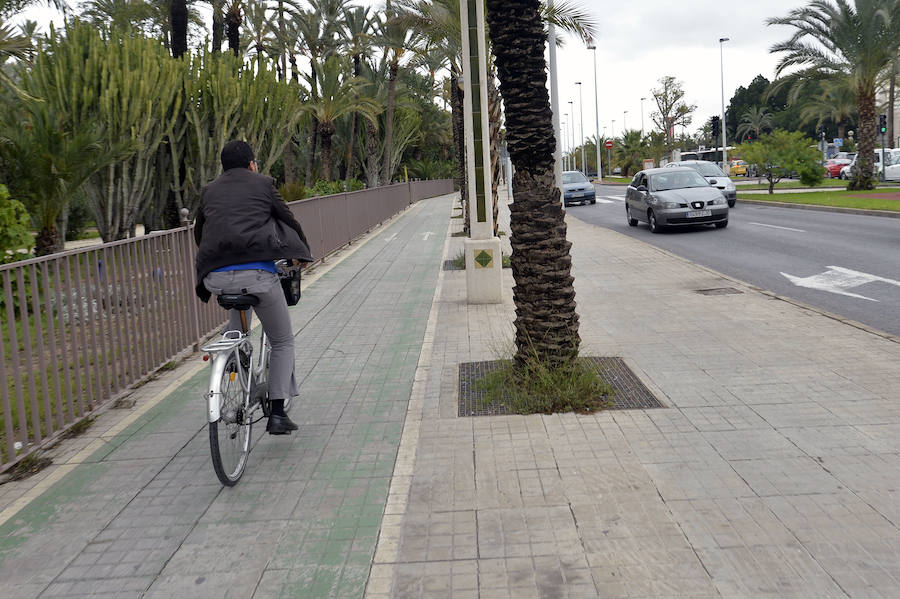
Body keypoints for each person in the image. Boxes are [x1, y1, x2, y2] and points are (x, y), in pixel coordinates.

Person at [194, 140, 312, 435]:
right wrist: (301, 252)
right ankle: (277, 413)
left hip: (215, 277)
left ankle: (235, 354)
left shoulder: (209, 190)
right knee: (282, 340)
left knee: (238, 321)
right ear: (251, 164)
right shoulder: (263, 184)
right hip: (257, 276)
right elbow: (287, 218)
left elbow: (200, 232)